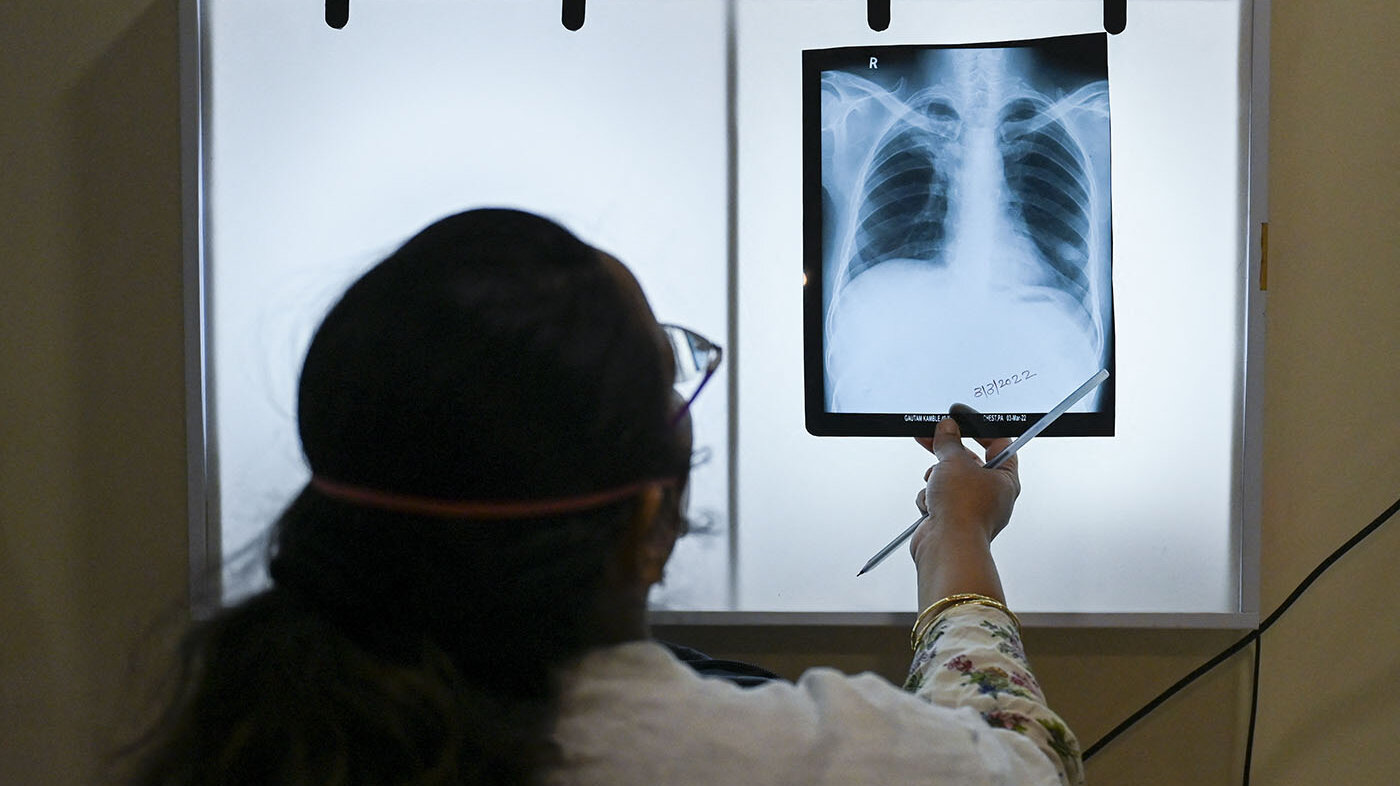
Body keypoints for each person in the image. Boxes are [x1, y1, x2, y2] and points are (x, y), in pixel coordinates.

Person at [124, 208, 1084, 785]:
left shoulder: (248, 730)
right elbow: (1019, 763)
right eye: (668, 366)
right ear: (642, 527)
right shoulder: (761, 760)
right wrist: (959, 540)